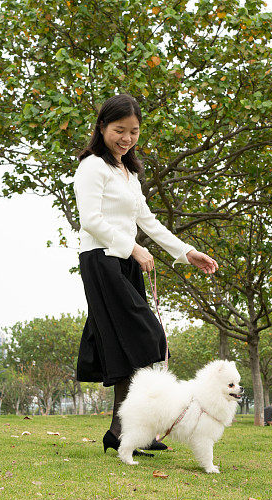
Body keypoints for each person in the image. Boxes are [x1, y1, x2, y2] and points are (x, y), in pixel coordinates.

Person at [73, 94, 218, 454]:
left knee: (132, 347)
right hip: (101, 259)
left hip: (123, 260)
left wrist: (186, 252)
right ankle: (128, 430)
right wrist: (133, 248)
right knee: (145, 337)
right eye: (119, 130)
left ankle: (122, 431)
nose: (126, 138)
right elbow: (91, 219)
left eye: (134, 131)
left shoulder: (129, 171)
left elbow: (146, 219)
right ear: (102, 127)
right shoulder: (92, 166)